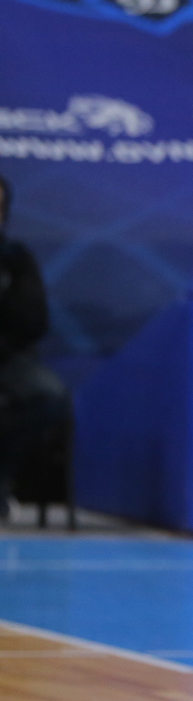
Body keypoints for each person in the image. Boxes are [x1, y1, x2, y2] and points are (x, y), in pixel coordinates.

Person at [0, 175, 68, 509]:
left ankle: (1, 476)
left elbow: (34, 322)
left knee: (48, 394)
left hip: (7, 357)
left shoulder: (16, 258)